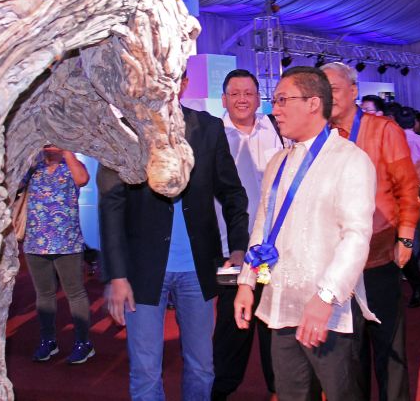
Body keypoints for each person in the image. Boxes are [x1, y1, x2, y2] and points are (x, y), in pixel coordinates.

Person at [99, 73, 249, 401]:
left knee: (202, 366)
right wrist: (117, 275)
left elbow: (234, 194)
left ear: (183, 84)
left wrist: (238, 247)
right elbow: (110, 207)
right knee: (145, 370)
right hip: (142, 271)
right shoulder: (123, 132)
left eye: (172, 79)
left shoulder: (208, 129)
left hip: (199, 269)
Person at [234, 66, 377, 401]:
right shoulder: (277, 162)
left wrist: (325, 298)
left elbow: (357, 237)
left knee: (343, 393)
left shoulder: (350, 160)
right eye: (275, 100)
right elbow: (263, 228)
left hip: (328, 311)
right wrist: (246, 283)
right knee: (291, 394)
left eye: (283, 100)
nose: (275, 109)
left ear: (314, 103)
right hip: (281, 305)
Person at [322, 62, 419, 401]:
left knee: (388, 348)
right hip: (334, 262)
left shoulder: (382, 130)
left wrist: (405, 236)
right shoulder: (321, 136)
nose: (328, 96)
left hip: (378, 254)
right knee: (348, 351)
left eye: (333, 88)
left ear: (353, 90)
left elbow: (408, 186)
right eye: (323, 89)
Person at [212, 69, 283, 401]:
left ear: (258, 98)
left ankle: (278, 387)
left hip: (270, 251)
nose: (242, 99)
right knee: (232, 321)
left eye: (248, 93)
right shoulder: (212, 135)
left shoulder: (278, 132)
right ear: (224, 99)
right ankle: (223, 388)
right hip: (231, 250)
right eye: (234, 93)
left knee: (271, 319)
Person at [22, 145, 94, 364]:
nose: (49, 144)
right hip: (36, 242)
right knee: (44, 294)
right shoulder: (33, 168)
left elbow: (82, 180)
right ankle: (48, 340)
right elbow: (14, 184)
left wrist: (67, 152)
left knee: (75, 293)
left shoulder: (71, 166)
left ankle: (83, 342)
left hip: (67, 243)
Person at [396, 107, 420, 297]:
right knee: (416, 231)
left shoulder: (394, 140)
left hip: (401, 190)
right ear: (415, 122)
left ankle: (415, 265)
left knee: (407, 230)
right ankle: (413, 266)